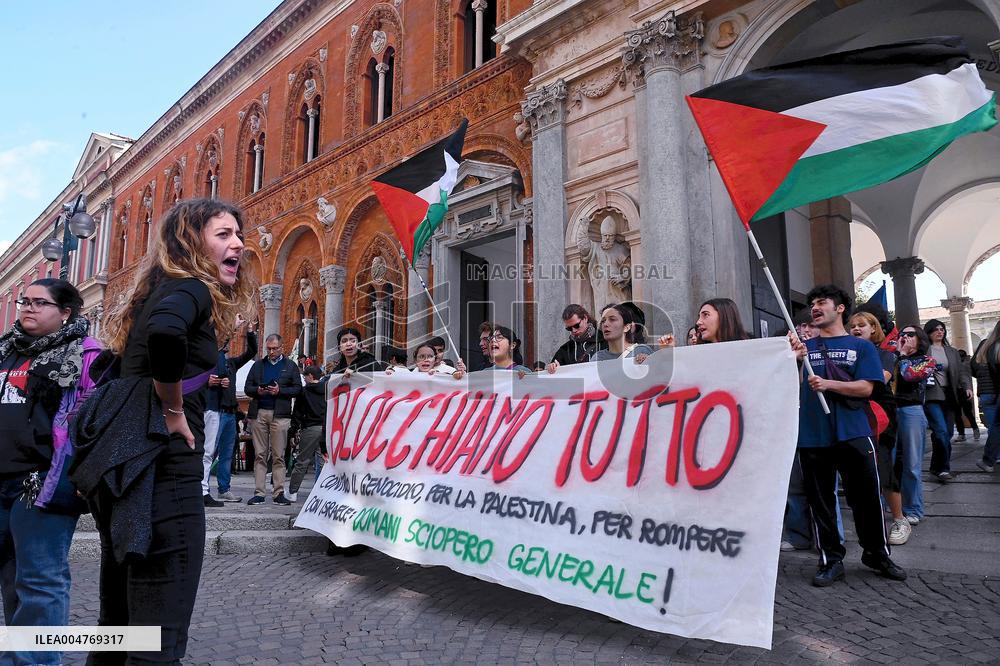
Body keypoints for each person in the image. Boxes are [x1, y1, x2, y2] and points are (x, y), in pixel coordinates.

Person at [92, 197, 254, 662]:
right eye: (223, 235)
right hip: (166, 472)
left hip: (128, 472)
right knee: (158, 635)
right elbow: (167, 334)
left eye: (238, 235)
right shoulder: (191, 290)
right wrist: (173, 407)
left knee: (118, 628)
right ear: (190, 242)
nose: (238, 244)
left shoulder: (157, 290)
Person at [0, 279, 99, 666]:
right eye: (25, 301)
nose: (28, 308)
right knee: (11, 579)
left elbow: (96, 424)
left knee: (41, 581)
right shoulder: (6, 351)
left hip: (43, 483)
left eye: (40, 303)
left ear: (66, 312)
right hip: (1, 481)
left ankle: (37, 662)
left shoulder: (88, 355)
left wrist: (83, 479)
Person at [789, 284, 905, 586]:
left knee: (866, 496)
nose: (815, 307)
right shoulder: (804, 349)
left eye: (822, 302)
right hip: (813, 434)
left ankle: (877, 553)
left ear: (840, 308)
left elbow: (867, 388)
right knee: (821, 500)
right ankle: (830, 558)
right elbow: (789, 384)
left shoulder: (862, 348)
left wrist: (829, 385)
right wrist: (795, 358)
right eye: (812, 302)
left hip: (854, 430)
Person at [849, 311, 907, 545]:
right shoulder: (849, 354)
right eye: (851, 325)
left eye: (861, 325)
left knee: (882, 466)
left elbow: (878, 379)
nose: (855, 328)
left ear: (873, 328)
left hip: (880, 415)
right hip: (854, 413)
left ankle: (900, 520)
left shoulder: (884, 354)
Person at [201, 316, 257, 506]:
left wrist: (249, 331)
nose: (226, 346)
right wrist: (211, 382)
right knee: (208, 452)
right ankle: (203, 489)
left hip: (230, 413)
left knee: (226, 454)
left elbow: (252, 351)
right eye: (224, 343)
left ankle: (224, 489)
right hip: (214, 410)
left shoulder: (232, 364)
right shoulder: (206, 362)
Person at [244, 334, 302, 505]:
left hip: (281, 414)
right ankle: (259, 493)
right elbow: (248, 387)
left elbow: (298, 389)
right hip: (260, 412)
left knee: (279, 455)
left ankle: (278, 493)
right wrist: (258, 391)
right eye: (268, 349)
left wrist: (280, 391)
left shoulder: (290, 366)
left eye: (274, 348)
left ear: (282, 347)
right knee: (260, 454)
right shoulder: (257, 365)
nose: (271, 352)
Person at [893, 325, 936, 528]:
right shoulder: (891, 356)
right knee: (890, 461)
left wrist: (901, 356)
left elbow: (910, 375)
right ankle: (892, 505)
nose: (904, 337)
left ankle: (913, 509)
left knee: (911, 463)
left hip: (911, 410)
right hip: (890, 410)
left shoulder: (927, 361)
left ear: (919, 339)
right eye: (902, 334)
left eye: (910, 334)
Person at [922, 319, 970, 482]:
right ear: (928, 332)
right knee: (941, 432)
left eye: (942, 329)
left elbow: (962, 372)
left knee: (946, 433)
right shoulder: (924, 350)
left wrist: (967, 386)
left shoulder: (952, 352)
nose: (939, 331)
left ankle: (936, 466)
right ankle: (943, 469)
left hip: (950, 395)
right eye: (935, 329)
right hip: (932, 395)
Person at [286, 366, 327, 502]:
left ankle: (292, 492)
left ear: (310, 376)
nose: (304, 379)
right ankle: (321, 492)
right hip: (325, 428)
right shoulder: (328, 390)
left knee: (302, 461)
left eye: (305, 377)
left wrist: (293, 431)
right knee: (322, 461)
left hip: (310, 428)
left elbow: (297, 413)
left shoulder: (304, 392)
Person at [972, 321, 1000, 471]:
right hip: (993, 393)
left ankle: (989, 459)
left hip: (991, 393)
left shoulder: (990, 348)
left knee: (995, 426)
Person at [547, 304, 604, 373]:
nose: (574, 330)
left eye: (576, 325)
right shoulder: (565, 349)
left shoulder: (605, 339)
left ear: (585, 318)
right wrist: (553, 367)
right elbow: (554, 372)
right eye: (569, 328)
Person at [953, 349, 980, 441]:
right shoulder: (966, 365)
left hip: (961, 391)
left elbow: (964, 378)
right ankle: (974, 429)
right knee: (967, 413)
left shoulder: (962, 365)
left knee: (959, 414)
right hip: (963, 391)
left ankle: (962, 434)